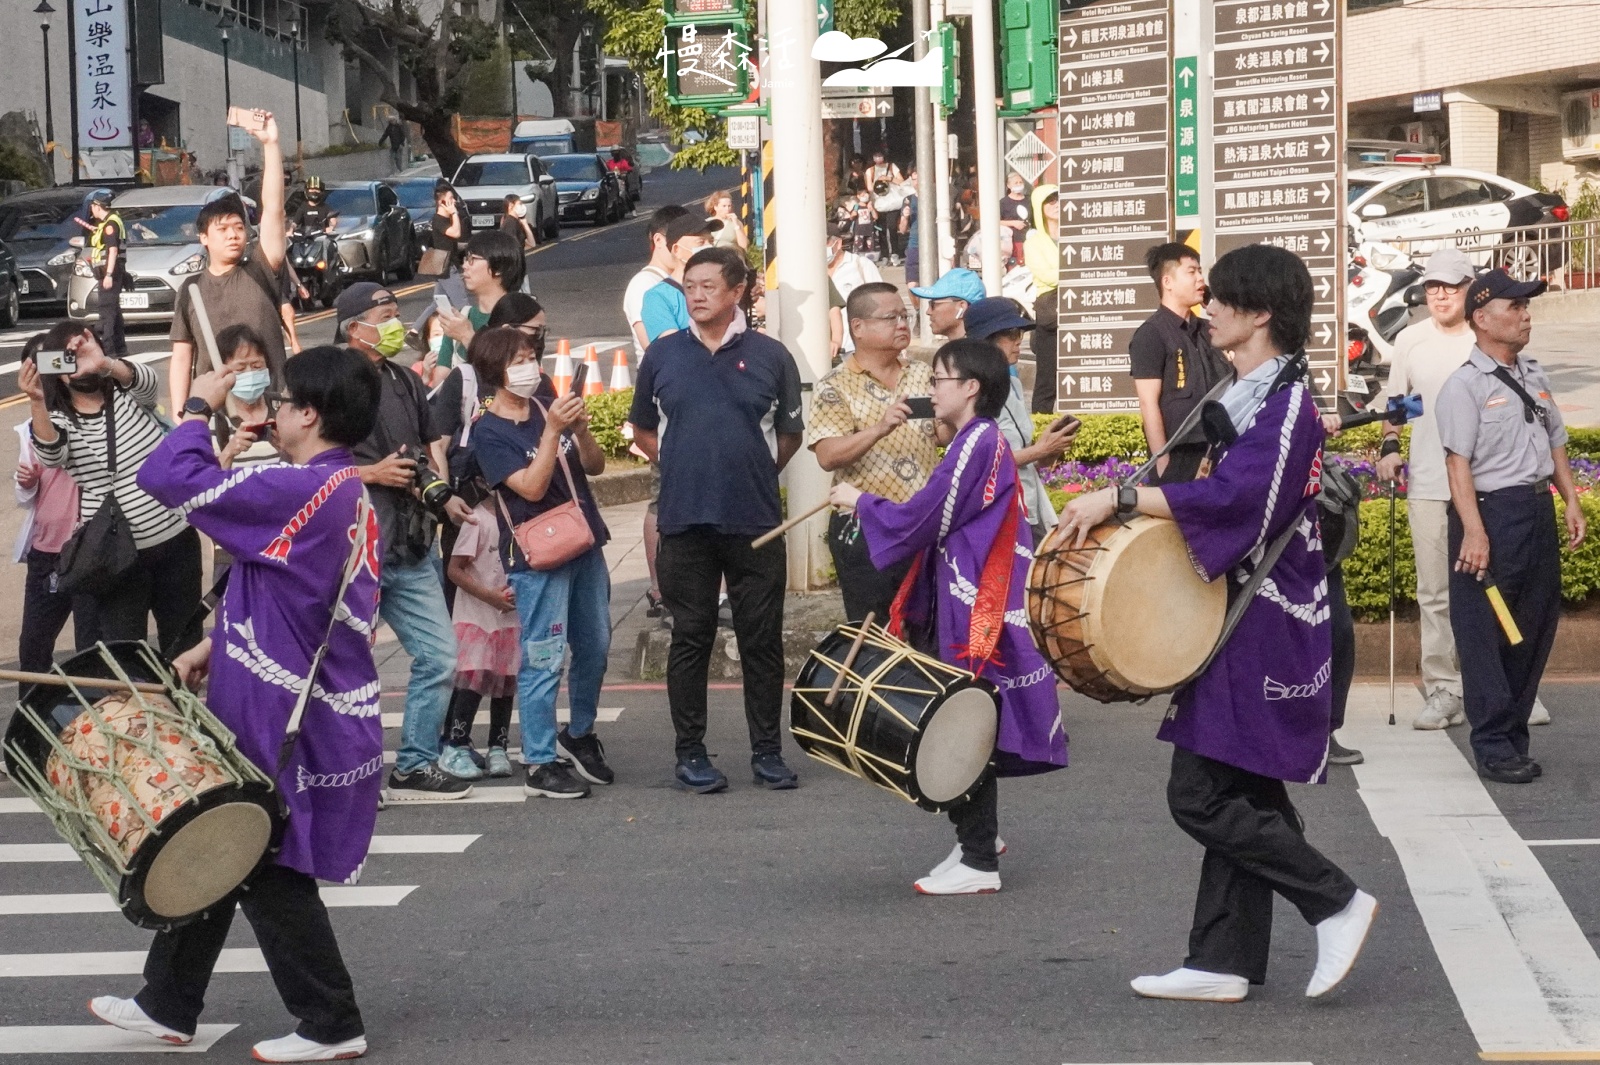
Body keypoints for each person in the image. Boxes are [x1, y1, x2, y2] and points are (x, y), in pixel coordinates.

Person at [1057, 243, 1376, 1004]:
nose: (1212, 309)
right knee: (1247, 791)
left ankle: (1333, 898)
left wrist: (1124, 500)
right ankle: (1222, 958)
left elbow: (1243, 503)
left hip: (1260, 621)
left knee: (1198, 793)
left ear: (1260, 313)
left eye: (1225, 300)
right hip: (1246, 612)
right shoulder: (1255, 388)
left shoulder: (1285, 401)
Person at [91, 345, 383, 1063]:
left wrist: (196, 406)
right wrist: (210, 645)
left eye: (284, 401)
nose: (274, 408)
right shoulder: (338, 484)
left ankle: (329, 1019)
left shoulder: (300, 487)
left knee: (261, 853)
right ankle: (168, 1002)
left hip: (283, 708)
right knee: (229, 838)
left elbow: (166, 475)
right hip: (288, 695)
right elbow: (277, 581)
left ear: (310, 413)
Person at [828, 338, 1067, 894]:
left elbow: (926, 515)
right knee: (968, 714)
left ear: (971, 387)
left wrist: (860, 501)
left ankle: (980, 857)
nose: (930, 389)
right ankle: (972, 842)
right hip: (969, 590)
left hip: (977, 597)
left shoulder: (976, 441)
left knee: (967, 720)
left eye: (939, 379)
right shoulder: (975, 440)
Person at [628, 246, 805, 793]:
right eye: (690, 285)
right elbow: (643, 431)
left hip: (754, 521)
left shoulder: (773, 356)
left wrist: (747, 470)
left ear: (737, 292)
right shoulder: (662, 356)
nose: (696, 295)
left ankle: (768, 752)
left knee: (760, 639)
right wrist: (686, 465)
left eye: (708, 285)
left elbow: (790, 436)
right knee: (691, 636)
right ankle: (690, 753)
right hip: (684, 520)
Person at [1377, 248, 1551, 730]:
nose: (1439, 295)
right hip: (1432, 484)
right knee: (1435, 591)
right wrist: (1390, 446)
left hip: (1489, 491)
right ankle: (1443, 687)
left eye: (1451, 286)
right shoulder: (1410, 340)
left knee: (1501, 591)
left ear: (1473, 293)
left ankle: (1508, 687)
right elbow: (1398, 404)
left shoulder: (1491, 337)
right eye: (1432, 286)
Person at [1434, 269, 1585, 785]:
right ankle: (1493, 744)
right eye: (1514, 306)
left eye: (1527, 307)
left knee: (1533, 629)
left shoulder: (1535, 376)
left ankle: (1513, 734)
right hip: (1490, 517)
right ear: (1481, 317)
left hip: (1535, 514)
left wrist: (1570, 501)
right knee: (1487, 632)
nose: (1525, 315)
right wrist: (1474, 532)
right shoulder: (1464, 386)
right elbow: (1458, 465)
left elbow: (1557, 440)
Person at [340, 282, 479, 798]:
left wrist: (441, 496)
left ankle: (416, 761)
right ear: (354, 327)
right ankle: (351, 773)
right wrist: (369, 473)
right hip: (356, 550)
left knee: (440, 656)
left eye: (397, 312)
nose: (395, 322)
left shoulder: (403, 379)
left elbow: (420, 453)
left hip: (410, 544)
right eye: (384, 314)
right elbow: (307, 467)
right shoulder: (333, 384)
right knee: (347, 669)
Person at [470, 326, 615, 798]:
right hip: (538, 557)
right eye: (519, 359)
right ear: (496, 373)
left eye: (533, 356)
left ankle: (580, 733)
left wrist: (580, 429)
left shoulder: (545, 407)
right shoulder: (488, 432)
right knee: (544, 657)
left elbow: (593, 467)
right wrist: (553, 431)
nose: (530, 366)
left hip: (584, 543)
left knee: (594, 643)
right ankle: (538, 760)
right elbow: (530, 488)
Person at [22, 322, 202, 654]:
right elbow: (50, 452)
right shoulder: (60, 420)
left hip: (175, 544)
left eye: (81, 349)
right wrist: (36, 401)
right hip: (114, 559)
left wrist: (103, 363)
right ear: (57, 373)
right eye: (66, 359)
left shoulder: (129, 393)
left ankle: (184, 704)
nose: (76, 361)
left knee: (183, 647)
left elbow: (147, 380)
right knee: (123, 655)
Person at [808, 282, 941, 622]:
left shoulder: (923, 374)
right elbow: (827, 455)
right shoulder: (834, 385)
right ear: (858, 328)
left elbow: (939, 435)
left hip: (923, 523)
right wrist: (879, 428)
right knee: (874, 634)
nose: (902, 324)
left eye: (905, 316)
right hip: (867, 528)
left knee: (928, 631)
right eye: (891, 317)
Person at [169, 110, 287, 408]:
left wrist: (270, 145)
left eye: (239, 228)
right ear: (204, 238)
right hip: (215, 415)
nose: (234, 235)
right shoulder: (191, 289)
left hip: (273, 409)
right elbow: (182, 357)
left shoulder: (260, 269)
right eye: (222, 229)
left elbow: (273, 210)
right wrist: (182, 414)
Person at [13, 335, 99, 674]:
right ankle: (29, 726)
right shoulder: (28, 429)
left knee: (91, 649)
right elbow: (26, 499)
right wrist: (27, 482)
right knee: (33, 649)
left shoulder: (92, 412)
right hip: (47, 551)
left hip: (91, 551)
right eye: (33, 370)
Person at [962, 298, 1077, 544]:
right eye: (1012, 333)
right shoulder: (971, 391)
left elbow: (1019, 456)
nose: (1019, 341)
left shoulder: (1012, 383)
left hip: (1027, 501)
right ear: (987, 339)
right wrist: (1040, 449)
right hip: (997, 508)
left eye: (1021, 333)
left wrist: (1045, 452)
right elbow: (984, 460)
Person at [1130, 242, 1230, 485]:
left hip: (1220, 449)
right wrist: (1161, 460)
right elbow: (1148, 402)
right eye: (1191, 272)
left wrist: (1217, 309)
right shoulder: (1151, 334)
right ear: (1168, 282)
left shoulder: (1211, 331)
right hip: (1180, 456)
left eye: (1200, 272)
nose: (1200, 280)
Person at [436, 229, 526, 371]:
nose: (464, 266)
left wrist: (467, 336)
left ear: (498, 268)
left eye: (472, 260)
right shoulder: (462, 317)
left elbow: (511, 376)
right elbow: (441, 380)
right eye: (465, 259)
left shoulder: (522, 320)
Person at [639, 213, 720, 343]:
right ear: (676, 250)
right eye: (700, 242)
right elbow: (673, 349)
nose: (709, 247)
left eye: (711, 242)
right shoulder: (658, 297)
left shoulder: (721, 290)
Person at [211, 323, 280, 469]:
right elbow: (207, 481)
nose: (250, 373)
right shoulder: (215, 418)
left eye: (257, 366)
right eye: (240, 369)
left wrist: (287, 448)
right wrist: (229, 451)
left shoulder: (282, 407)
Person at [1023, 184, 1060, 414]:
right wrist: (1076, 273)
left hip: (1081, 307)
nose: (1056, 205)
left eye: (1058, 199)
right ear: (1039, 207)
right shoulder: (1033, 243)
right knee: (1047, 379)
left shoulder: (1078, 235)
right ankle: (1040, 430)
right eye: (1050, 201)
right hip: (1051, 312)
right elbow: (1045, 275)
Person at [827, 223, 884, 355]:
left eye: (824, 242)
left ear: (838, 243)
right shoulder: (812, 273)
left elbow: (881, 303)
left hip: (856, 348)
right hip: (826, 352)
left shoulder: (860, 265)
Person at [85, 189, 128, 358]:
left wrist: (109, 275)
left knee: (107, 312)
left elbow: (113, 250)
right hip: (108, 273)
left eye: (93, 206)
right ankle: (120, 348)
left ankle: (109, 350)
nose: (91, 210)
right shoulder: (108, 223)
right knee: (114, 312)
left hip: (110, 274)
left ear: (98, 206)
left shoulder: (110, 225)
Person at [910, 267, 986, 340]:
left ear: (962, 307)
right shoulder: (976, 348)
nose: (928, 312)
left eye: (933, 305)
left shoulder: (977, 352)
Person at [997, 172, 1032, 265]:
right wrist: (1013, 223)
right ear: (1009, 185)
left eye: (1020, 182)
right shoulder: (1004, 202)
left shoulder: (1028, 201)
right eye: (1016, 183)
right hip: (1011, 241)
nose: (1019, 185)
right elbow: (996, 221)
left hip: (1028, 239)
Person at [849, 188, 879, 260]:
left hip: (869, 231)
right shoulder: (856, 206)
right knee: (858, 248)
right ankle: (858, 260)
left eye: (866, 195)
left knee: (870, 248)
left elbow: (876, 217)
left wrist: (872, 209)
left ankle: (870, 261)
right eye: (863, 195)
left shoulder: (870, 206)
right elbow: (851, 217)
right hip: (859, 231)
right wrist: (853, 214)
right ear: (858, 196)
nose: (865, 197)